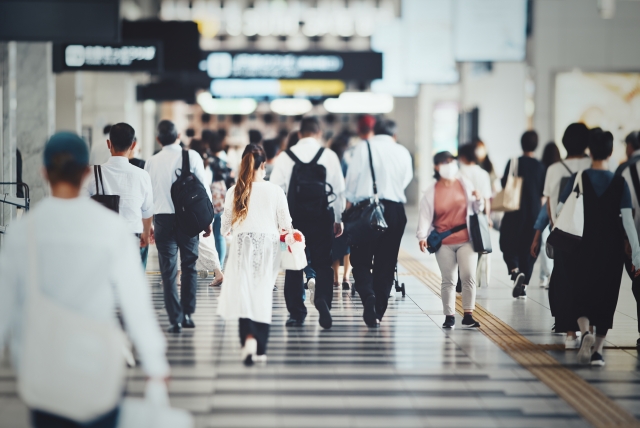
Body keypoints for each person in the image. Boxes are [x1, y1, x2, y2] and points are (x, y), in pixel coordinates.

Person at [0, 132, 169, 428]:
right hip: (97, 361)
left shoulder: (22, 232)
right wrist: (155, 364)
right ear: (86, 173)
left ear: (43, 173)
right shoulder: (110, 229)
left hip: (43, 368)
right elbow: (134, 301)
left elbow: (4, 305)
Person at [559, 129, 640, 367]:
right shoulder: (619, 182)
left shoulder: (579, 178)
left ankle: (584, 332)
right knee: (606, 297)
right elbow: (627, 222)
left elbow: (561, 209)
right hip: (611, 249)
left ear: (590, 151)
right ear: (611, 151)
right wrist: (636, 253)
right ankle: (598, 352)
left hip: (582, 246)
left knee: (580, 293)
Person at [217, 144, 293, 365]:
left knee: (245, 295)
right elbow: (286, 225)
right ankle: (260, 348)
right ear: (263, 164)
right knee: (262, 295)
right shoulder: (276, 191)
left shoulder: (235, 190)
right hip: (268, 248)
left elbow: (224, 228)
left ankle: (248, 339)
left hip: (242, 246)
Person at [271, 117, 346, 329]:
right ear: (319, 132)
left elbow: (276, 190)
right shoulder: (329, 156)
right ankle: (322, 300)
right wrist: (339, 220)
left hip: (294, 220)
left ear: (300, 132)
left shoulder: (286, 156)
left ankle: (296, 313)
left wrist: (279, 222)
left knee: (294, 264)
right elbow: (339, 191)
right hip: (323, 217)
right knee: (323, 263)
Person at [145, 120, 213, 333]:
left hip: (163, 219)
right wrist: (207, 220)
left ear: (158, 139)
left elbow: (148, 197)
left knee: (168, 270)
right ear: (179, 135)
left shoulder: (151, 162)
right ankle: (187, 314)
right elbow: (203, 189)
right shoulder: (191, 156)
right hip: (189, 218)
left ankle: (174, 318)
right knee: (189, 266)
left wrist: (149, 225)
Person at [345, 119, 413, 327]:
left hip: (367, 210)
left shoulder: (364, 147)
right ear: (394, 135)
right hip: (394, 210)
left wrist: (347, 209)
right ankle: (378, 311)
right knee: (387, 262)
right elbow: (406, 180)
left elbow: (351, 182)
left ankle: (368, 296)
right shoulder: (402, 151)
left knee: (361, 260)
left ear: (374, 132)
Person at [539, 124, 591, 348]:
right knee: (587, 280)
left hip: (564, 234)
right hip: (589, 234)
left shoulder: (554, 169)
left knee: (564, 281)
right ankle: (586, 327)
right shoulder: (592, 165)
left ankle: (569, 332)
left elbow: (550, 205)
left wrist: (554, 228)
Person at [417, 151, 482, 329]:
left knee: (468, 275)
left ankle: (468, 314)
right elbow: (425, 214)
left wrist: (479, 200)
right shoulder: (432, 190)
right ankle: (449, 316)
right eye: (445, 162)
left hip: (466, 239)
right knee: (449, 279)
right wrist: (422, 236)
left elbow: (476, 209)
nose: (449, 165)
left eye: (451, 161)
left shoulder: (464, 184)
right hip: (443, 241)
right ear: (436, 167)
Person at [83, 123, 154, 269]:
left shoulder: (91, 173)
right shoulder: (142, 176)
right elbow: (147, 212)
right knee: (131, 285)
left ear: (109, 144)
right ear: (133, 145)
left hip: (101, 237)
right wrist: (146, 234)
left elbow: (80, 206)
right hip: (132, 237)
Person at [499, 131, 546, 298]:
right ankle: (523, 284)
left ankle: (515, 270)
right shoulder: (541, 167)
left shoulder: (513, 163)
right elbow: (543, 192)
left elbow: (505, 183)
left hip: (514, 211)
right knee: (529, 248)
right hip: (533, 212)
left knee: (508, 242)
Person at [615, 131, 640, 349]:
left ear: (630, 146)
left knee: (638, 284)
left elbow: (621, 210)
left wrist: (625, 239)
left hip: (633, 241)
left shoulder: (623, 170)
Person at [458, 143, 493, 288]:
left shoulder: (460, 172)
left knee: (461, 246)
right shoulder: (483, 173)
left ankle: (460, 278)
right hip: (479, 215)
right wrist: (488, 217)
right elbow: (486, 198)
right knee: (477, 246)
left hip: (462, 214)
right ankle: (471, 277)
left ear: (463, 156)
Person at [535, 142, 562, 287]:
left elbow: (543, 194)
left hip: (545, 209)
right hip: (558, 210)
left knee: (544, 243)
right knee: (549, 244)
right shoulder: (560, 168)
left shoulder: (543, 168)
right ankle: (546, 274)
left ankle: (544, 276)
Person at [207, 129, 234, 269]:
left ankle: (212, 266)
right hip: (223, 201)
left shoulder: (206, 160)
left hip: (209, 200)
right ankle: (220, 267)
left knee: (207, 237)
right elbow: (232, 182)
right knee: (220, 235)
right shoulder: (226, 162)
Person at [330, 132, 353, 289]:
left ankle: (335, 277)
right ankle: (345, 276)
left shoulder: (329, 163)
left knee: (334, 242)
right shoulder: (348, 163)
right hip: (348, 207)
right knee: (348, 245)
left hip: (331, 207)